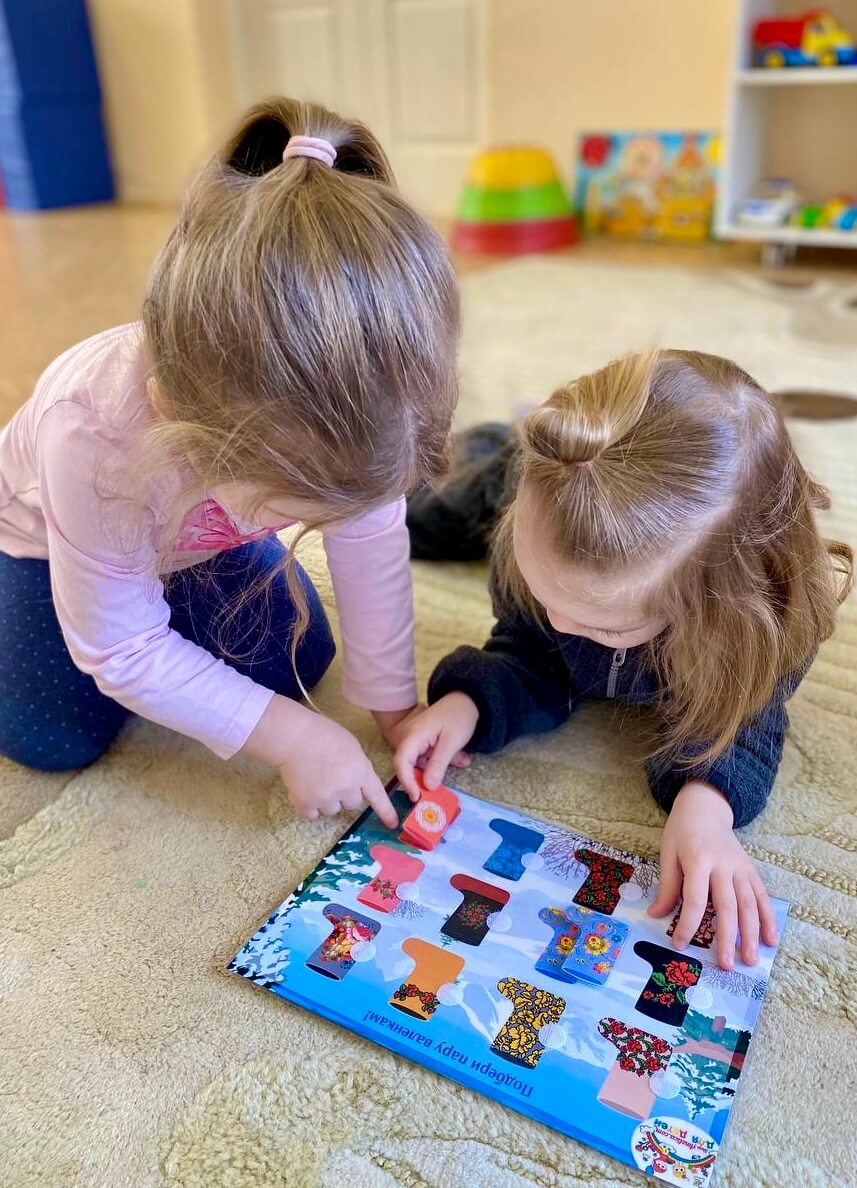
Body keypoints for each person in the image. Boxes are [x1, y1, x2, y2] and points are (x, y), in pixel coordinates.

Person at [0, 97, 459, 828]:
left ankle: (168, 601)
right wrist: (291, 740)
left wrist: (395, 705)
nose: (321, 524)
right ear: (188, 429)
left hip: (195, 542)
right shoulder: (92, 430)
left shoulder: (358, 413)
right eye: (299, 509)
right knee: (54, 737)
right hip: (38, 542)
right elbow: (120, 648)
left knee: (298, 660)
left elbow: (371, 540)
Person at [395, 350, 852, 968]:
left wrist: (707, 806)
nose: (559, 625)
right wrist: (469, 700)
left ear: (716, 607)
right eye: (544, 593)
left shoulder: (759, 624)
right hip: (518, 480)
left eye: (599, 624)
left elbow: (744, 719)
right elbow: (531, 651)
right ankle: (504, 444)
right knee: (417, 517)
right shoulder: (534, 521)